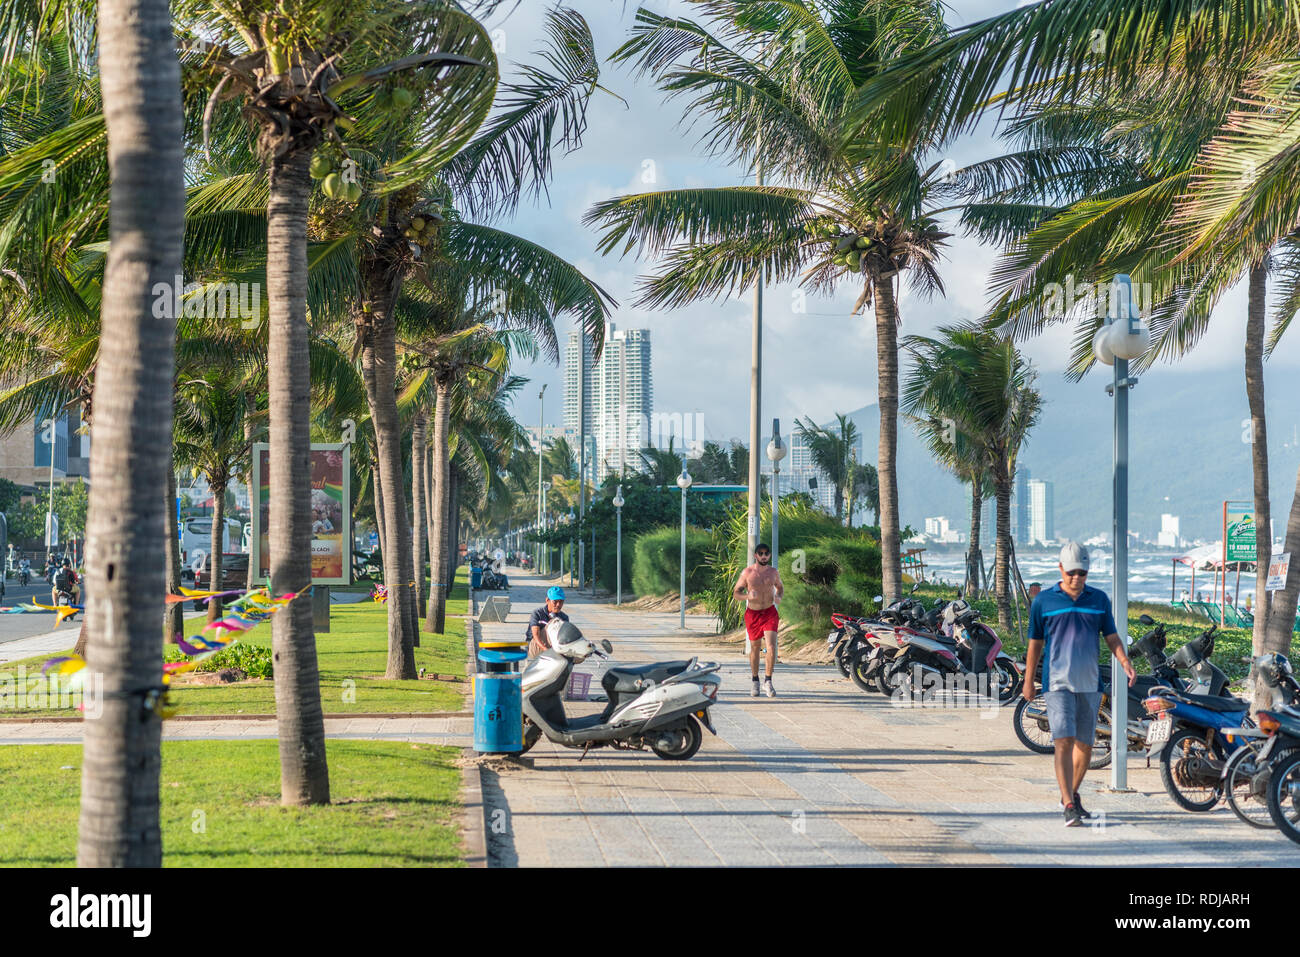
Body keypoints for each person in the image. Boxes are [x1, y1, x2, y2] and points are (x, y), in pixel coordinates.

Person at [1023, 541, 1136, 827]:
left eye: (1082, 573)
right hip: (1056, 683)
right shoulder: (1043, 601)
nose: (1076, 578)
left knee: (1085, 745)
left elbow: (1111, 636)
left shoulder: (1098, 600)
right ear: (1060, 569)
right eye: (1071, 572)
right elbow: (1035, 643)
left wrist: (1124, 661)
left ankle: (1071, 793)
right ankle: (1069, 805)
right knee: (1063, 740)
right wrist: (1028, 680)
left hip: (1089, 683)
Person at [732, 543, 783, 698]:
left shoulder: (773, 572)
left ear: (769, 555)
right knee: (755, 648)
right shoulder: (747, 573)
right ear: (755, 555)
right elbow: (736, 593)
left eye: (766, 553)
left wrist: (778, 596)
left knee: (771, 647)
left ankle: (768, 681)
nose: (764, 556)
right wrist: (747, 596)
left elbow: (780, 587)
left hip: (769, 612)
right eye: (761, 553)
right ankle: (755, 680)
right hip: (753, 614)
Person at [526, 586, 570, 658]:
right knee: (553, 623)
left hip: (555, 647)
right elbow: (535, 635)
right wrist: (546, 650)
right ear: (547, 600)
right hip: (535, 646)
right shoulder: (537, 613)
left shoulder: (564, 617)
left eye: (561, 602)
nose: (558, 605)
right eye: (555, 602)